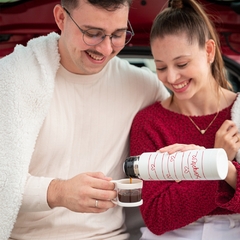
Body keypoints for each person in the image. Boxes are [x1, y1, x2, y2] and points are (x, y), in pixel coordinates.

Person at [0, 0, 170, 239]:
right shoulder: (11, 81)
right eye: (93, 34)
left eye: (118, 35)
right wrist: (57, 192)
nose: (106, 49)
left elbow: (184, 131)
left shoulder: (144, 87)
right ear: (61, 18)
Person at [129, 0, 240, 239]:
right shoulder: (149, 123)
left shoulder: (238, 113)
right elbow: (157, 217)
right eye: (160, 67)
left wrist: (225, 168)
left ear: (209, 51)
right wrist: (214, 161)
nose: (171, 77)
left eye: (182, 64)